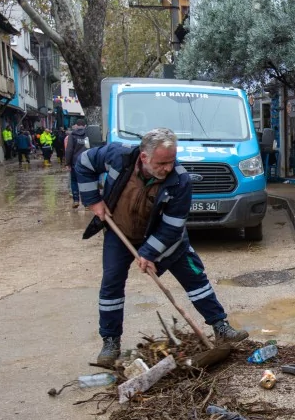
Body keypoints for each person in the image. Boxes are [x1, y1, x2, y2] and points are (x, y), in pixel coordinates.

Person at [74, 128, 248, 366]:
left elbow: (172, 226)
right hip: (120, 231)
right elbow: (83, 162)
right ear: (144, 157)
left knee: (195, 278)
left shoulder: (180, 180)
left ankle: (221, 326)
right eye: (162, 163)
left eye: (171, 161)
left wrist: (148, 253)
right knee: (111, 285)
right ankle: (110, 341)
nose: (167, 168)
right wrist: (93, 200)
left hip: (164, 237)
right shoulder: (118, 156)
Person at [63, 119, 90, 208]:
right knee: (86, 181)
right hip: (86, 162)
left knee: (74, 181)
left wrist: (67, 163)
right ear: (85, 126)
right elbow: (89, 148)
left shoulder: (72, 135)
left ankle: (76, 200)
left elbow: (69, 150)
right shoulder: (87, 134)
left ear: (76, 125)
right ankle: (86, 203)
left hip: (75, 162)